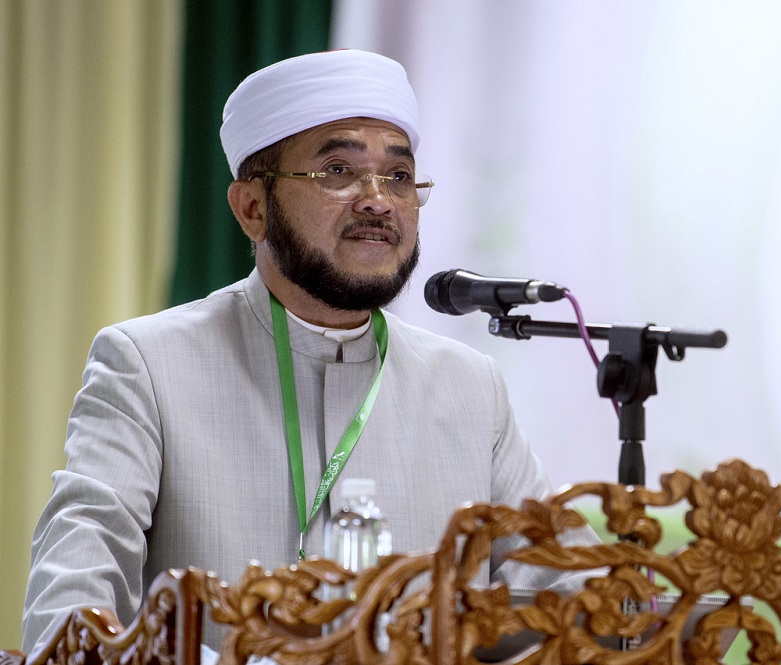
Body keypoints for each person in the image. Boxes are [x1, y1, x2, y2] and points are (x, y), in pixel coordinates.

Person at [22, 49, 598, 652]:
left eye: (399, 176)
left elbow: (570, 594)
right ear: (252, 208)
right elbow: (68, 611)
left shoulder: (469, 383)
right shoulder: (148, 364)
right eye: (338, 172)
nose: (378, 200)